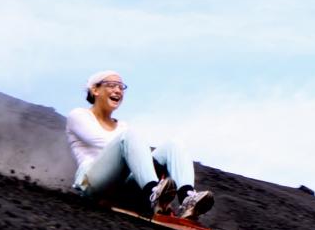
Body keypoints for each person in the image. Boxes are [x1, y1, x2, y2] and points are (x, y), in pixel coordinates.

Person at [65, 70, 214, 220]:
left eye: (121, 87)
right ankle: (153, 193)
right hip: (92, 184)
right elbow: (103, 142)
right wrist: (137, 154)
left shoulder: (123, 127)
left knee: (174, 145)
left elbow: (133, 151)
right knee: (130, 136)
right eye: (111, 85)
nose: (117, 90)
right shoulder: (79, 115)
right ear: (95, 90)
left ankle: (187, 200)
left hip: (123, 189)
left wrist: (144, 162)